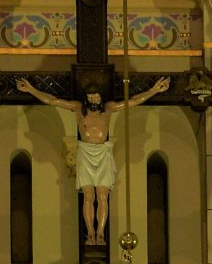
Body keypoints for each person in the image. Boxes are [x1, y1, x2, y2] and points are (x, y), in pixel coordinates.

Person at [14, 75, 171, 244]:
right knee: (88, 196)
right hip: (85, 152)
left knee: (102, 196)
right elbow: (54, 101)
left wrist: (154, 90)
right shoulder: (78, 108)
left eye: (96, 96)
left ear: (101, 97)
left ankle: (101, 233)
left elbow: (132, 101)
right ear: (85, 98)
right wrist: (30, 89)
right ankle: (90, 232)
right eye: (90, 96)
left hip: (103, 152)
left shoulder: (109, 109)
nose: (93, 99)